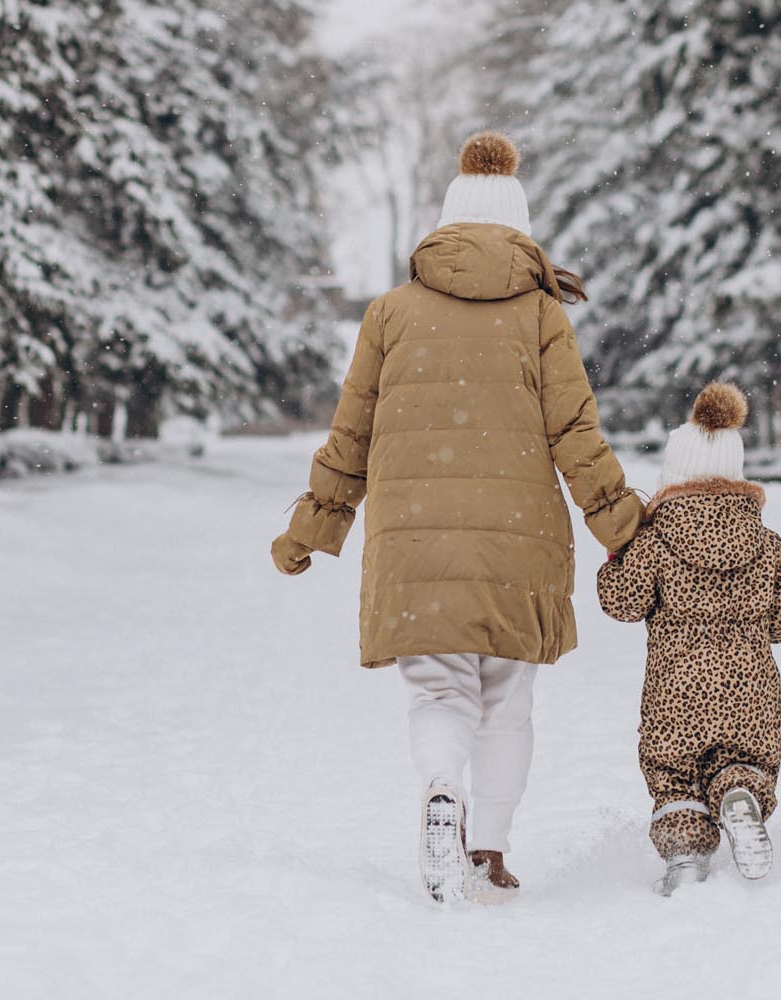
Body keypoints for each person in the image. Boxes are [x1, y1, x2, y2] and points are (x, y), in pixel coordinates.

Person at [270, 132, 643, 905]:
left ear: (444, 226)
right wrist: (628, 529)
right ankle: (489, 852)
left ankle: (443, 789)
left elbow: (352, 436)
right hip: (519, 547)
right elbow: (577, 436)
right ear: (521, 230)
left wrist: (309, 528)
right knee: (507, 699)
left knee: (440, 694)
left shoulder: (390, 314)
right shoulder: (542, 316)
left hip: (415, 546)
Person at [594, 382, 781, 896]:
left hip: (676, 695)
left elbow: (621, 603)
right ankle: (739, 793)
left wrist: (615, 560)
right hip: (751, 694)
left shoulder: (656, 539)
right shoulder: (765, 542)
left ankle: (686, 857)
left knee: (675, 777)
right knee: (745, 761)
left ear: (672, 475)